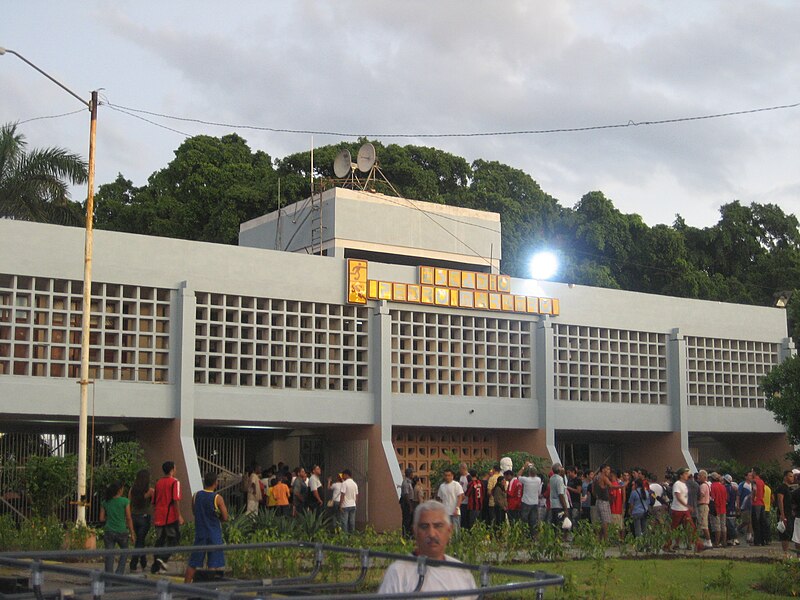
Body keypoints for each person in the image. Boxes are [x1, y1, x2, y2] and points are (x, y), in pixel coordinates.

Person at [378, 500, 477, 598]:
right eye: (424, 527)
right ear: (415, 531)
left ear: (449, 530)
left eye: (438, 526)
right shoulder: (398, 573)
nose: (431, 534)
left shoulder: (462, 573)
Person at [184, 472, 229, 583]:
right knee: (212, 564)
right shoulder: (217, 498)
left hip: (200, 533)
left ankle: (185, 586)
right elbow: (225, 516)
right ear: (216, 483)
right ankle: (209, 588)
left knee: (193, 562)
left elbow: (194, 512)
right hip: (214, 533)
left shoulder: (196, 496)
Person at [151, 460, 183, 574]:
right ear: (172, 470)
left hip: (159, 514)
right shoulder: (175, 482)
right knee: (174, 538)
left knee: (159, 540)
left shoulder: (158, 482)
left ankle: (156, 566)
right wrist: (179, 515)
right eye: (175, 468)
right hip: (170, 515)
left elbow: (154, 500)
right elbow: (176, 500)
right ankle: (163, 558)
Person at [99, 481, 135, 575]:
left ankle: (109, 577)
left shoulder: (105, 502)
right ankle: (119, 574)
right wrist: (132, 532)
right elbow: (128, 517)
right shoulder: (125, 501)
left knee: (109, 555)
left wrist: (110, 517)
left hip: (109, 531)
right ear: (119, 490)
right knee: (124, 551)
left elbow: (101, 518)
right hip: (122, 531)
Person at [665, 467, 703, 552]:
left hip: (684, 509)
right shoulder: (677, 484)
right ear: (681, 475)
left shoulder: (684, 484)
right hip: (677, 509)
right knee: (674, 528)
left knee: (691, 527)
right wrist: (687, 505)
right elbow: (678, 497)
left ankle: (698, 545)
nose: (687, 475)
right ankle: (667, 545)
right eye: (685, 474)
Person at [128, 469, 153, 572]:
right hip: (144, 517)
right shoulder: (150, 491)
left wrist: (128, 518)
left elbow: (128, 504)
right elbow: (154, 502)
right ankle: (133, 563)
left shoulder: (132, 490)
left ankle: (143, 562)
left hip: (134, 516)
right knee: (140, 540)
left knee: (140, 540)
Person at [518, 463, 542, 536]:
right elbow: (534, 473)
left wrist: (523, 467)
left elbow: (518, 475)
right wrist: (532, 466)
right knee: (533, 521)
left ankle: (524, 535)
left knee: (524, 520)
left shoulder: (526, 480)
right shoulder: (538, 480)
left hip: (526, 502)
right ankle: (533, 536)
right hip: (534, 503)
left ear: (529, 473)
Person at [775, 470, 795, 554]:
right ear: (785, 477)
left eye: (792, 476)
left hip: (789, 513)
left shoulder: (788, 488)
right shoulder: (782, 487)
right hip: (784, 513)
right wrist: (782, 515)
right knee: (785, 534)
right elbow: (780, 500)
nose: (792, 478)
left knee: (789, 532)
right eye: (790, 476)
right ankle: (785, 553)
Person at [593, 464, 613, 541]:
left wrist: (597, 496)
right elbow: (611, 486)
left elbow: (593, 490)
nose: (609, 471)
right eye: (607, 469)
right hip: (604, 501)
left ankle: (600, 538)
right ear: (603, 470)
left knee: (601, 521)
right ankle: (606, 539)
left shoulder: (595, 478)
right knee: (605, 521)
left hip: (598, 500)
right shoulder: (603, 478)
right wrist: (623, 486)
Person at [709, 473, 728, 548]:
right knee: (723, 525)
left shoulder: (712, 486)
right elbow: (726, 498)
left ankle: (716, 542)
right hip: (723, 508)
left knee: (717, 526)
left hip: (716, 508)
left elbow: (712, 498)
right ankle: (724, 542)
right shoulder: (723, 487)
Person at [338, 469, 359, 533]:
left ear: (346, 475)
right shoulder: (355, 484)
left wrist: (340, 505)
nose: (342, 477)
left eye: (343, 475)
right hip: (353, 505)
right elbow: (357, 495)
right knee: (352, 522)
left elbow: (342, 495)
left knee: (344, 522)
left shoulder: (344, 483)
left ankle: (345, 536)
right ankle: (352, 535)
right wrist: (355, 503)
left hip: (345, 505)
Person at [400, 467, 415, 537]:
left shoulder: (410, 482)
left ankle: (409, 534)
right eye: (412, 473)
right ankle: (405, 535)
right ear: (409, 474)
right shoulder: (406, 483)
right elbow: (406, 495)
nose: (413, 474)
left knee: (410, 519)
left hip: (409, 501)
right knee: (407, 519)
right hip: (406, 502)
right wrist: (410, 506)